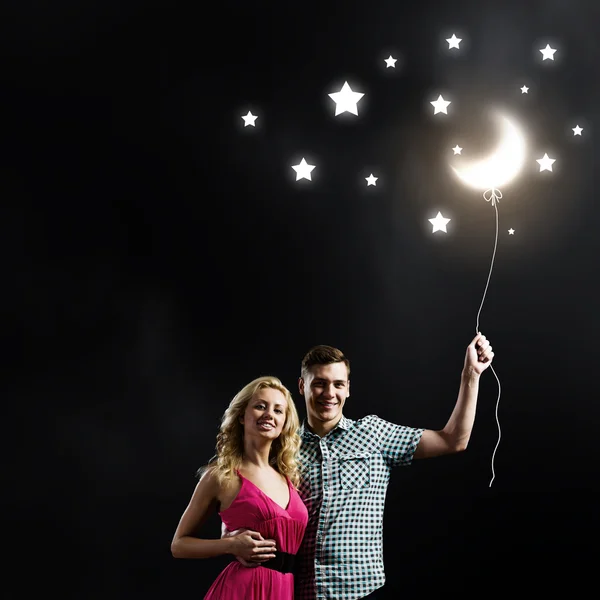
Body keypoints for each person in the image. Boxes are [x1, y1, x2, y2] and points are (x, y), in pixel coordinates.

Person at [228, 333, 494, 599]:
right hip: (302, 591)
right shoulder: (280, 449)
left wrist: (470, 374)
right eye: (319, 384)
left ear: (348, 388)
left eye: (338, 384)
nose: (329, 394)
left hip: (364, 591)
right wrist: (233, 540)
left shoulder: (374, 433)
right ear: (302, 386)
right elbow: (244, 513)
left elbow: (453, 440)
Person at [171, 375, 309, 600]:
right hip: (244, 590)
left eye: (278, 410)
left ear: (285, 422)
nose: (268, 415)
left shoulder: (289, 477)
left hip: (286, 589)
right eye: (260, 406)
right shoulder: (221, 475)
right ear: (242, 416)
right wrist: (231, 545)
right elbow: (179, 545)